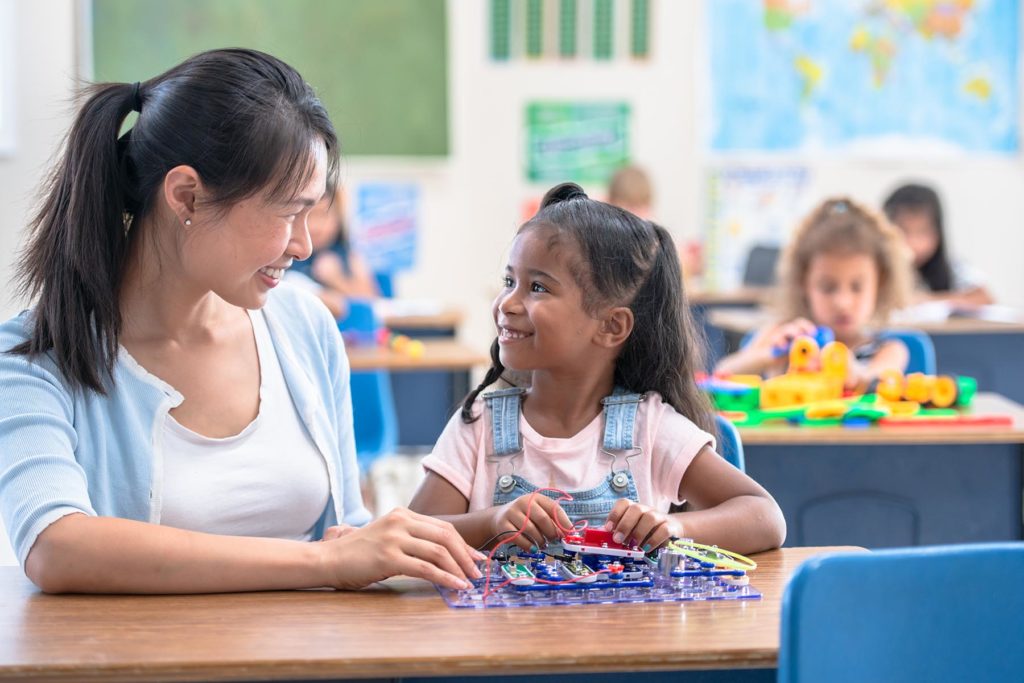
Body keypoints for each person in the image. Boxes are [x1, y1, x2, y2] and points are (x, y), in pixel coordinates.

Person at [0, 48, 481, 594]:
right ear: (187, 196)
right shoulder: (37, 355)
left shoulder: (303, 322)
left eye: (312, 213)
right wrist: (324, 564)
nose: (302, 245)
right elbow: (57, 548)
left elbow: (350, 531)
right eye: (288, 212)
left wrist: (464, 531)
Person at [409, 183, 786, 556]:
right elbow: (413, 535)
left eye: (537, 287)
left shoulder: (649, 428)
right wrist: (491, 522)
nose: (508, 302)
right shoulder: (480, 426)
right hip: (503, 620)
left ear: (611, 326)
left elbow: (764, 517)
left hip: (627, 621)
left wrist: (675, 526)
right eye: (510, 281)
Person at [715, 198, 913, 390]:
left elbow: (873, 381)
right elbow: (721, 375)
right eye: (828, 288)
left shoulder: (888, 350)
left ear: (881, 283)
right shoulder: (779, 337)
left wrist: (841, 364)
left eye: (857, 287)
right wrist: (771, 355)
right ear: (803, 282)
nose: (843, 303)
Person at [882, 183, 995, 308]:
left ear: (938, 233)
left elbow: (984, 297)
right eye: (903, 231)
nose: (913, 243)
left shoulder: (952, 267)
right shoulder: (876, 266)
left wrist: (926, 300)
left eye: (923, 231)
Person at [285, 188, 379, 319]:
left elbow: (372, 304)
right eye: (310, 216)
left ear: (338, 218)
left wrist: (337, 280)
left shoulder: (348, 254)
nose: (316, 226)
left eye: (323, 215)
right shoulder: (288, 253)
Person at [607, 164, 704, 286]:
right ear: (610, 203)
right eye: (631, 206)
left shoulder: (655, 237)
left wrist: (688, 261)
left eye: (643, 206)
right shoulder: (608, 241)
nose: (637, 215)